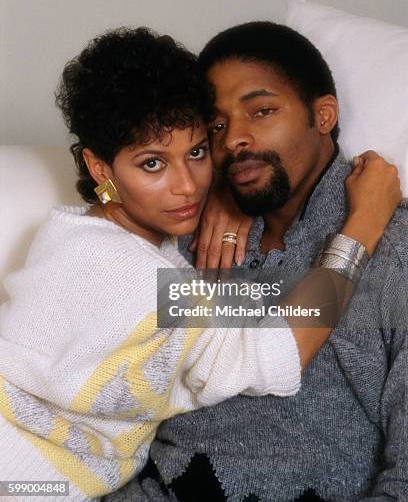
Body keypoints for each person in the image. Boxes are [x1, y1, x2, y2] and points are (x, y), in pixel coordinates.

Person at [0, 27, 400, 501]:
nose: (187, 186)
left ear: (324, 114)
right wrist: (362, 227)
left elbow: (263, 299)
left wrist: (231, 194)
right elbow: (271, 344)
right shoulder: (124, 268)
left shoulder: (146, 241)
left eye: (196, 152)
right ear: (100, 168)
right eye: (153, 164)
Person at [118, 22, 408, 502]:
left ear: (324, 115)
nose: (235, 140)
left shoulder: (394, 251)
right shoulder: (195, 235)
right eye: (216, 125)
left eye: (262, 110)